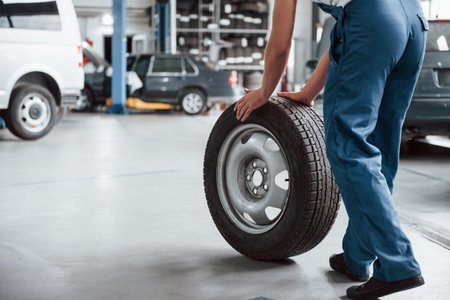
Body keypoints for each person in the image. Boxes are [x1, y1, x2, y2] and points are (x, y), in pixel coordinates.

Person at [234, 0, 427, 299]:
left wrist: (265, 91)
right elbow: (345, 33)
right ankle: (357, 256)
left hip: (371, 19)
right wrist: (309, 92)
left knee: (347, 147)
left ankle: (399, 264)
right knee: (379, 146)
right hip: (413, 21)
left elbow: (281, 44)